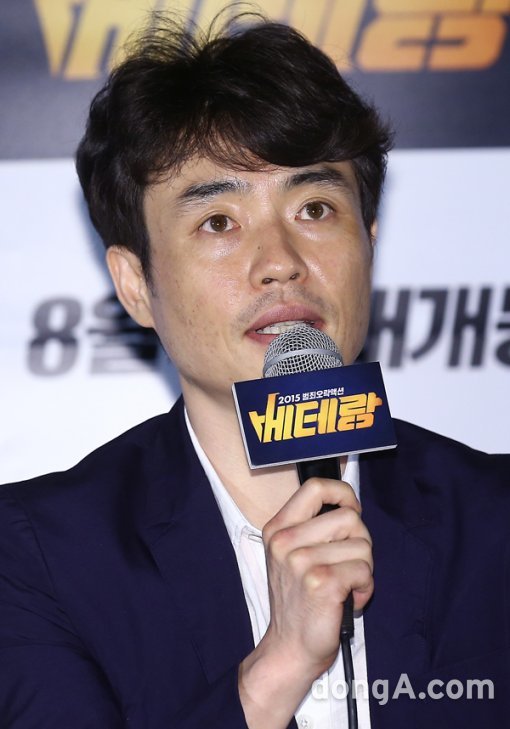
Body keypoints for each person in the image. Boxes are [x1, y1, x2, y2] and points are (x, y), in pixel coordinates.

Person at [0, 10, 508, 729]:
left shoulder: (493, 521)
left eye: (315, 208)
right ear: (136, 283)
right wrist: (278, 666)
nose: (280, 263)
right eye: (219, 223)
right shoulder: (39, 556)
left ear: (369, 241)